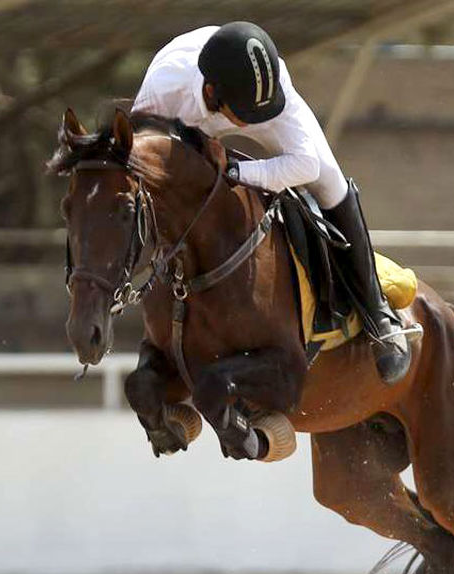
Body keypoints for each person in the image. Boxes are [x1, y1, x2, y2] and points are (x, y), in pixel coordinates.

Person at [131, 22, 412, 385]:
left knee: (330, 183)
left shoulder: (269, 94)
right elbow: (138, 157)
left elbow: (305, 165)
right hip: (183, 117)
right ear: (213, 93)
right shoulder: (164, 89)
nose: (253, 122)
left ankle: (377, 314)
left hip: (244, 84)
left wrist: (236, 170)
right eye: (246, 114)